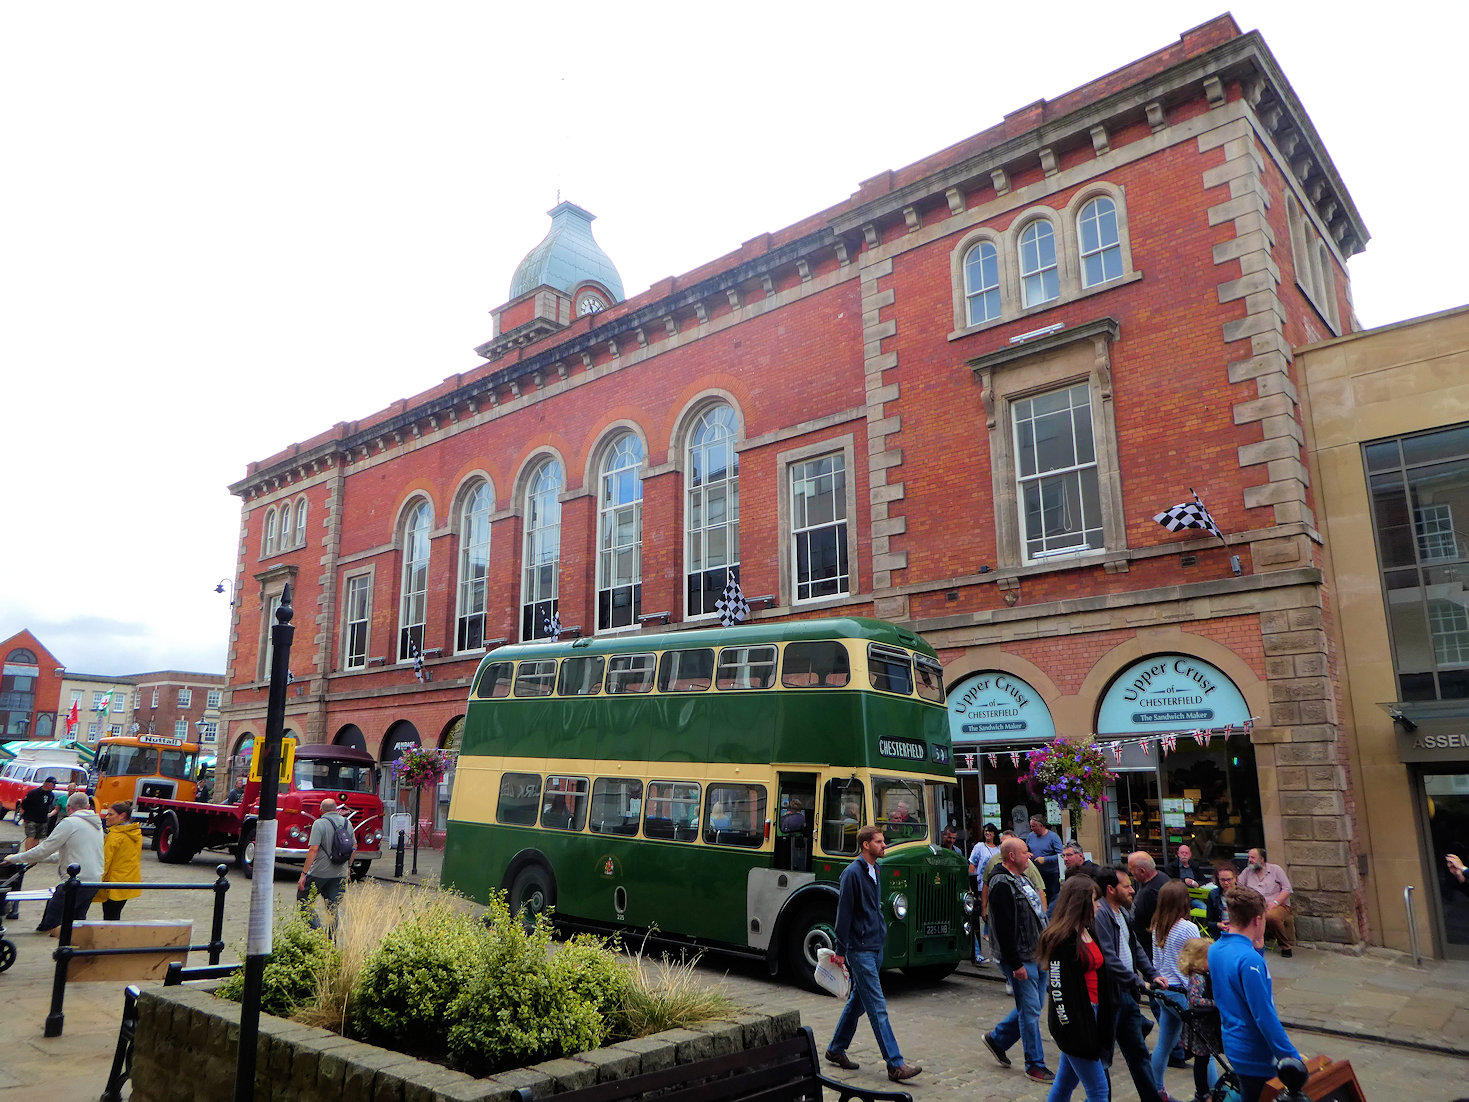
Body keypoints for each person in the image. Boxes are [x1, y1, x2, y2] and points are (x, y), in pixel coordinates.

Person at [824, 826, 922, 1082]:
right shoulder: (852, 873)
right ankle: (895, 1064)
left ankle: (835, 1049)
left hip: (875, 946)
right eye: (879, 841)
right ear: (866, 845)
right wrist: (841, 950)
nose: (884, 845)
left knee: (858, 1001)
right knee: (878, 1007)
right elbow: (843, 914)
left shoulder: (875, 869)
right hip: (860, 949)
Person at [1208, 886, 1301, 1102]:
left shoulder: (1215, 949)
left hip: (1234, 1045)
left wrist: (1258, 950)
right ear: (1258, 920)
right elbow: (1263, 1015)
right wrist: (1290, 1056)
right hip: (1256, 1054)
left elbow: (1233, 990)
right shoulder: (1250, 961)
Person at [980, 836, 1054, 1084]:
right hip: (1021, 957)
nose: (1030, 855)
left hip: (1037, 952)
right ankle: (1034, 1064)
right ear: (1012, 856)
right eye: (1025, 852)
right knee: (1030, 1010)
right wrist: (1016, 964)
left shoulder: (1021, 878)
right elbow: (1003, 927)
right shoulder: (1001, 883)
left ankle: (998, 1038)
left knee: (1032, 1006)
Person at [1093, 866, 1169, 1102]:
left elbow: (1134, 946)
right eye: (1126, 886)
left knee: (1138, 1053)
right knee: (1104, 1057)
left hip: (1127, 994)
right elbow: (1108, 958)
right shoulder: (1101, 914)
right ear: (1110, 889)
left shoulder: (1123, 913)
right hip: (1110, 995)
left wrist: (1152, 973)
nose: (1132, 890)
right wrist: (1137, 982)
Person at [1038, 875, 1112, 1101]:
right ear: (1081, 903)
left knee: (1064, 1085)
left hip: (1093, 1014)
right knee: (1099, 1091)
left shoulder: (1088, 931)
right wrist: (1074, 1029)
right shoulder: (1063, 940)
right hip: (1077, 1023)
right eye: (1094, 900)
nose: (1099, 905)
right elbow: (1059, 992)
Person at [3, 791, 105, 933]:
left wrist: (14, 858)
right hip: (94, 880)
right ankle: (78, 949)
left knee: (51, 921)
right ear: (88, 807)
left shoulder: (70, 823)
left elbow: (45, 848)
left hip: (76, 881)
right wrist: (39, 860)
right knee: (77, 921)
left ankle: (54, 947)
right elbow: (64, 854)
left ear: (68, 808)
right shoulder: (97, 825)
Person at [1150, 880, 1199, 1091]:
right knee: (1203, 1047)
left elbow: (1155, 963)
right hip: (1181, 991)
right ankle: (1214, 1090)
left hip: (1164, 991)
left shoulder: (1157, 927)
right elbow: (1198, 961)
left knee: (1164, 1043)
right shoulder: (1187, 927)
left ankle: (1155, 1089)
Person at [1178, 937, 1223, 1102]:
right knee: (1202, 1060)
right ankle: (1202, 1092)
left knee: (1205, 1058)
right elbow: (1194, 1000)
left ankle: (1206, 1091)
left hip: (1205, 1024)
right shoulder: (1197, 977)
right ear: (1198, 961)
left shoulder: (1203, 974)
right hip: (1199, 1026)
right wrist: (1215, 1003)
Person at [297, 798, 353, 930]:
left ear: (321, 810)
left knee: (304, 900)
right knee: (333, 907)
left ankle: (317, 933)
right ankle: (331, 941)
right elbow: (354, 847)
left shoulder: (319, 823)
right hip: (340, 872)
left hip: (319, 872)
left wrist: (304, 874)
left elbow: (313, 849)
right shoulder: (347, 823)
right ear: (336, 809)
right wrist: (348, 867)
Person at [1237, 848, 1294, 957]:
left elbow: (1287, 889)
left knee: (1270, 916)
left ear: (1262, 859)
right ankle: (1247, 944)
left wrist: (1275, 902)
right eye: (1249, 857)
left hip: (1276, 905)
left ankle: (1285, 946)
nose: (1250, 860)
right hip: (1254, 906)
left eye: (1253, 857)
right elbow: (1239, 886)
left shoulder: (1275, 869)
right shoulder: (1247, 871)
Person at [96, 801, 143, 920]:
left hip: (114, 883)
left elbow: (105, 861)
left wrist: (97, 881)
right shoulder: (135, 832)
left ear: (122, 816)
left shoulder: (115, 835)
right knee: (115, 915)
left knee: (110, 917)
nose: (107, 817)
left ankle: (110, 938)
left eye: (111, 815)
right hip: (128, 881)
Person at [969, 822, 1003, 964]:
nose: (987, 833)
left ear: (995, 834)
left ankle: (988, 934)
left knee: (994, 912)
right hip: (980, 885)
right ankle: (980, 946)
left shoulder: (999, 849)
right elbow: (972, 864)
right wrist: (971, 883)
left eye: (990, 831)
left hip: (995, 886)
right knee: (981, 912)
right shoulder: (979, 847)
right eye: (985, 831)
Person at [1128, 851, 1171, 955]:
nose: (1131, 875)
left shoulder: (1151, 892)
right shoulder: (1159, 876)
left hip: (1150, 946)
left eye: (1132, 872)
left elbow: (1155, 923)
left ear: (1142, 871)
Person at [1025, 815, 1065, 909]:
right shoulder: (1030, 836)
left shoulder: (1053, 837)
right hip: (1036, 872)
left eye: (1034, 826)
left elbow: (1061, 855)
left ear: (1041, 826)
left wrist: (1045, 859)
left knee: (1053, 898)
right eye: (1031, 826)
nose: (1032, 828)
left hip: (1051, 874)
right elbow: (1026, 849)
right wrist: (1027, 853)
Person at [19, 776, 58, 852]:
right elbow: (24, 804)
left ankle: (34, 854)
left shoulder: (51, 795)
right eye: (53, 784)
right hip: (31, 819)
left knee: (37, 838)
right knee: (31, 836)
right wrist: (25, 815)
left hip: (42, 820)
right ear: (47, 784)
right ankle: (27, 855)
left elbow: (48, 805)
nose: (54, 786)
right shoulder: (34, 793)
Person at [1203, 865, 1238, 939]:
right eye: (1222, 880)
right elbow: (1209, 922)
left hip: (1239, 932)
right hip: (1220, 933)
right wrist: (1218, 925)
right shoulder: (1213, 895)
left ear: (1235, 878)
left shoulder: (1244, 895)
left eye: (1229, 879)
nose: (1226, 883)